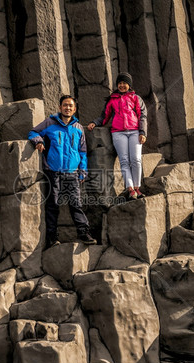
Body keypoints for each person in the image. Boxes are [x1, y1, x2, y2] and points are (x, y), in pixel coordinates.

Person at [28, 95, 97, 247]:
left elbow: (82, 151)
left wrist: (82, 171)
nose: (68, 108)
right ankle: (52, 237)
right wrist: (38, 142)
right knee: (53, 204)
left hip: (72, 173)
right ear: (60, 107)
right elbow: (33, 132)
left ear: (75, 109)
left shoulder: (78, 128)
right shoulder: (50, 122)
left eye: (71, 106)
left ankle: (84, 233)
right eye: (65, 105)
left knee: (76, 204)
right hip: (53, 171)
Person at [87, 72, 147, 200]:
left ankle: (137, 187)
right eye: (120, 83)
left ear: (129, 85)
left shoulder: (136, 98)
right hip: (118, 133)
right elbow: (105, 116)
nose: (122, 85)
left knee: (136, 159)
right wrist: (94, 122)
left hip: (135, 131)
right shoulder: (112, 99)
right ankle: (130, 189)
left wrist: (143, 132)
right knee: (124, 160)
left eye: (124, 83)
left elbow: (142, 116)